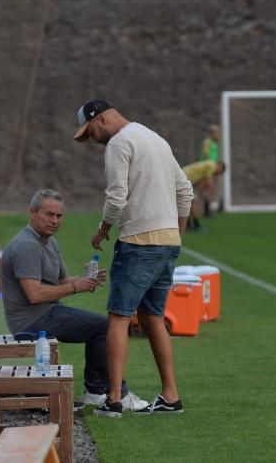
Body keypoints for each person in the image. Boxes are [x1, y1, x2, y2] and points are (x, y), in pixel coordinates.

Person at [73, 99, 193, 418]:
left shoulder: (119, 143)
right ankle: (170, 396)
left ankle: (112, 400)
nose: (94, 141)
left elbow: (116, 198)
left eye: (90, 133)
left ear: (100, 120)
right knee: (153, 317)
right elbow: (186, 191)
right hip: (168, 242)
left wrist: (102, 230)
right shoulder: (156, 139)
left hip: (138, 241)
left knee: (118, 317)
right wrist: (175, 233)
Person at [1, 188, 149, 412]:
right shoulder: (27, 245)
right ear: (32, 212)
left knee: (99, 326)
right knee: (104, 327)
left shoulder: (50, 242)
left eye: (59, 216)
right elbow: (34, 294)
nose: (54, 221)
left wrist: (84, 279)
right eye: (48, 214)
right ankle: (111, 392)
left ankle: (96, 391)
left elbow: (59, 280)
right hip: (30, 320)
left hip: (47, 312)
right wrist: (74, 287)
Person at [182, 159, 226, 231]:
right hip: (184, 179)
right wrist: (205, 193)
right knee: (194, 201)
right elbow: (208, 182)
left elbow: (204, 181)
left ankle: (189, 224)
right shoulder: (212, 166)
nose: (219, 173)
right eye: (221, 172)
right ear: (220, 167)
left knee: (191, 202)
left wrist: (197, 191)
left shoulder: (209, 165)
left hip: (185, 179)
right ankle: (195, 225)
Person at [199, 124, 221, 216]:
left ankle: (207, 208)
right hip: (207, 169)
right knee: (207, 187)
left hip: (211, 168)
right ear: (212, 133)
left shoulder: (213, 142)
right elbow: (206, 154)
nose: (218, 135)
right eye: (217, 132)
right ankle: (206, 210)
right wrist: (209, 167)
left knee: (209, 188)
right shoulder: (208, 142)